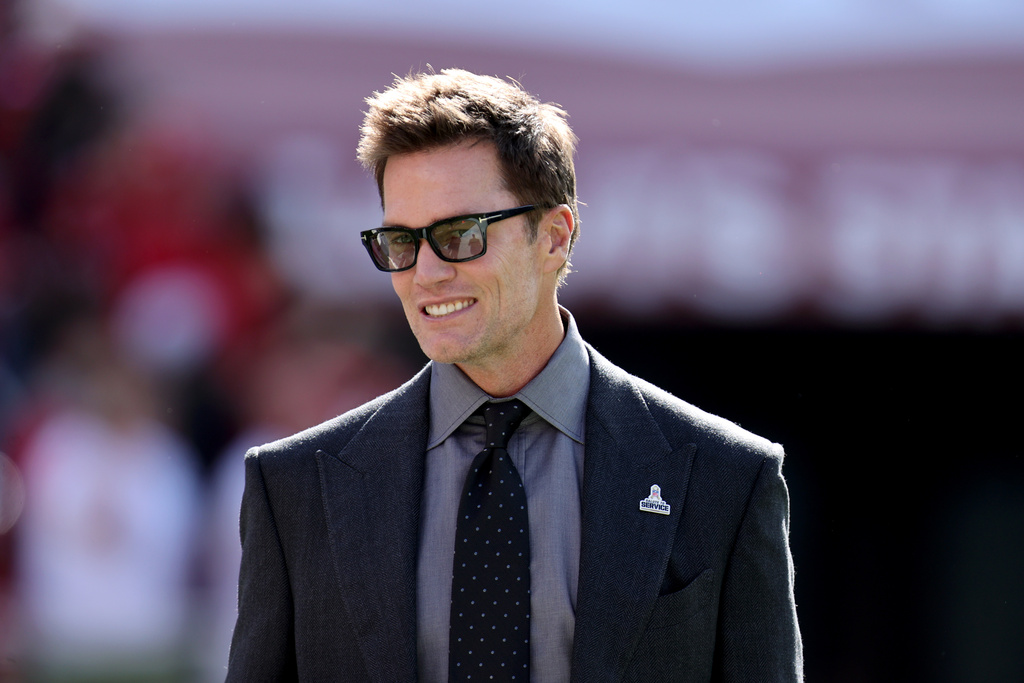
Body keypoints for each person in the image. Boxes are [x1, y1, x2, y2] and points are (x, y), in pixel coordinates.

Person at [227, 68, 802, 682]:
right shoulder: (293, 488)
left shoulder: (727, 479)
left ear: (554, 237)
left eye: (458, 235)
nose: (425, 273)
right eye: (400, 240)